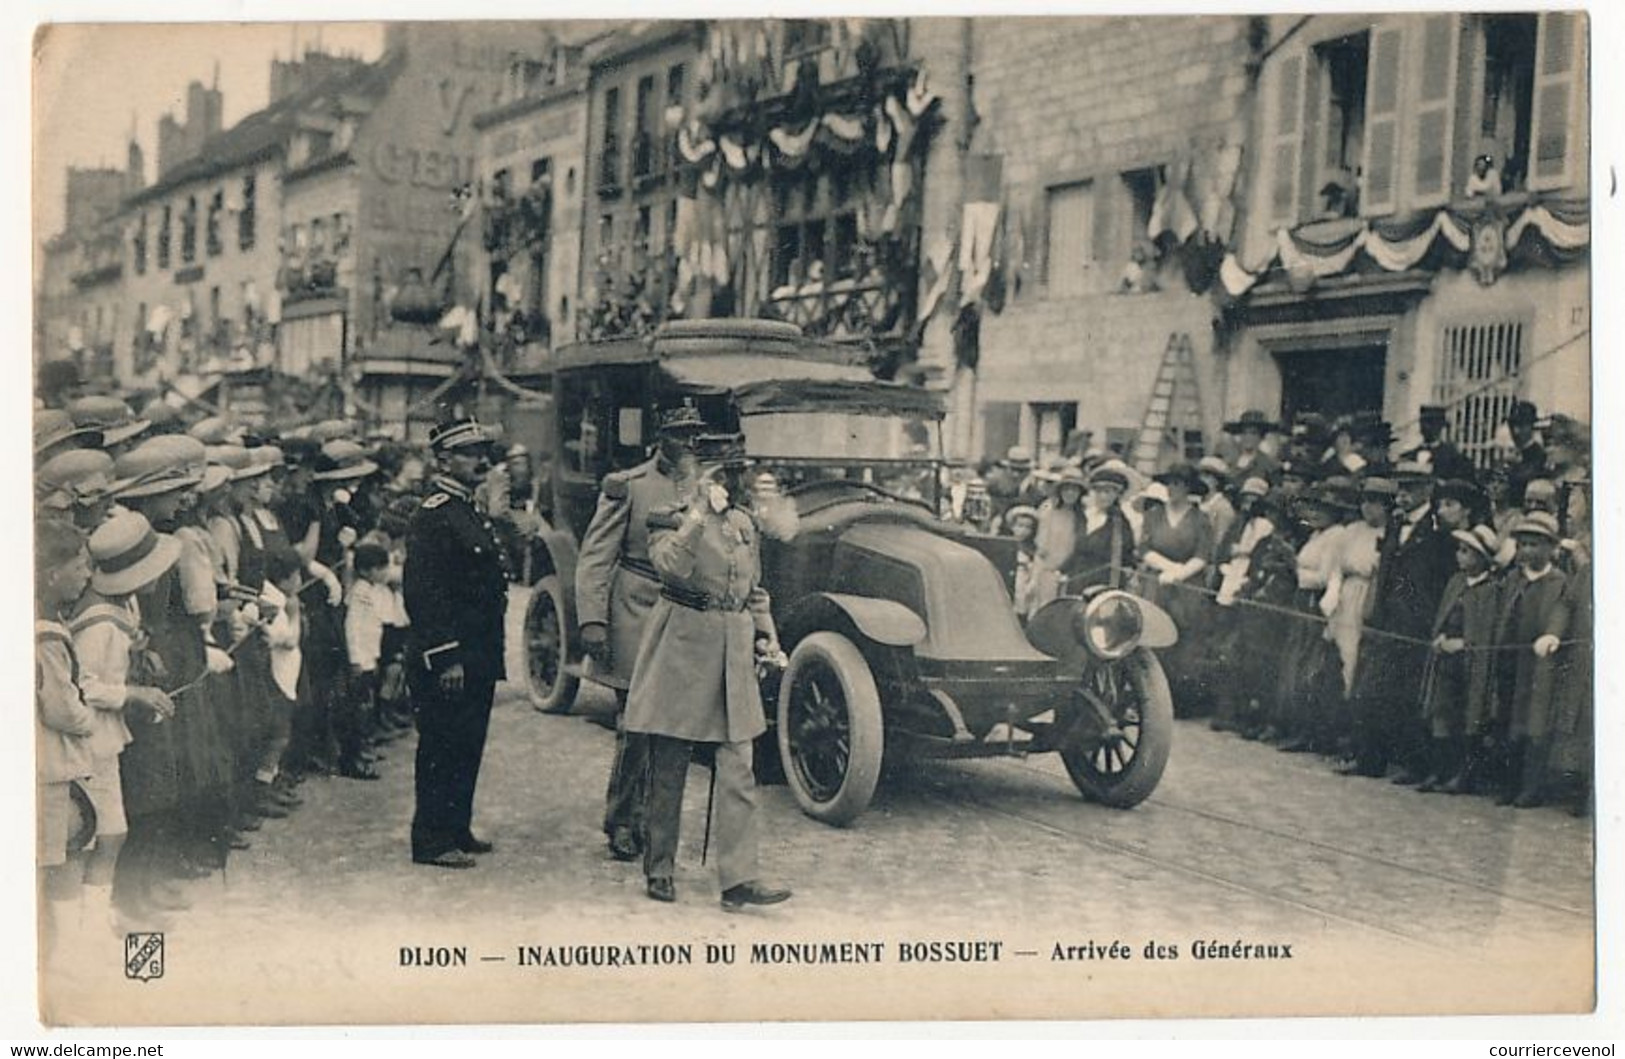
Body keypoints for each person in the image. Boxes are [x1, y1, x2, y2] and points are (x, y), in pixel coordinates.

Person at [623, 434, 791, 911]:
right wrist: (698, 511)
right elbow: (670, 569)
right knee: (670, 762)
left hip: (731, 653)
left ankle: (739, 879)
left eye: (736, 471)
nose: (731, 480)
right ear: (696, 473)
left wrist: (766, 634)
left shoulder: (742, 523)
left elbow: (752, 590)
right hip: (682, 647)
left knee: (739, 766)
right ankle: (659, 866)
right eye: (721, 471)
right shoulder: (671, 518)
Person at [574, 401, 708, 862]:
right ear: (660, 438)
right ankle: (622, 821)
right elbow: (595, 556)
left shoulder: (705, 489)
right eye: (679, 434)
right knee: (635, 726)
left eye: (694, 435)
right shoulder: (628, 486)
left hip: (683, 616)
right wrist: (592, 619)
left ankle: (657, 822)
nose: (689, 443)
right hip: (635, 612)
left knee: (672, 729)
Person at [402, 418, 509, 869]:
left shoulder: (466, 507)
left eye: (483, 451)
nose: (480, 460)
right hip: (451, 655)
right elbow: (425, 592)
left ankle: (456, 827)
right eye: (469, 453)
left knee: (467, 742)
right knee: (442, 745)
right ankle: (431, 839)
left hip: (477, 652)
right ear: (444, 459)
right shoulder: (435, 513)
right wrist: (445, 658)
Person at [70, 511, 182, 935]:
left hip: (106, 736)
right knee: (107, 833)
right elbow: (83, 684)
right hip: (93, 737)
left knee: (112, 831)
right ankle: (93, 923)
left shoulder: (118, 605)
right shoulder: (99, 624)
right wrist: (133, 693)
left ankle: (98, 917)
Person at [35, 517, 98, 976]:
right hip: (50, 765)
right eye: (80, 566)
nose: (87, 575)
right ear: (52, 573)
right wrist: (89, 711)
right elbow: (63, 710)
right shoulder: (48, 638)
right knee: (57, 860)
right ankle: (61, 963)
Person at [1490, 511, 1569, 808]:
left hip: (1539, 664)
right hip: (1510, 659)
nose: (1527, 551)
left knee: (1534, 723)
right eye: (1522, 545)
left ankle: (1531, 786)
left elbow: (1561, 616)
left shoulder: (1558, 582)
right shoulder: (1513, 579)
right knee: (1508, 718)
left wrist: (1549, 637)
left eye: (1535, 545)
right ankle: (1508, 783)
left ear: (1550, 548)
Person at [1418, 524, 1501, 795]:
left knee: (1469, 714)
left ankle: (1462, 774)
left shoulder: (1491, 590)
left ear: (1481, 558)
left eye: (1467, 551)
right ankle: (1438, 769)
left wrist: (1465, 644)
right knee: (1441, 711)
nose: (1460, 555)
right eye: (1460, 550)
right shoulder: (1456, 582)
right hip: (1446, 660)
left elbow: (1486, 632)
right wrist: (1440, 637)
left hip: (1470, 664)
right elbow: (1444, 614)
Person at [1221, 410, 1280, 485]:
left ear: (1261, 437)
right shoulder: (1228, 460)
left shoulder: (1269, 465)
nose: (1248, 437)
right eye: (1244, 433)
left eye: (1253, 433)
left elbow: (1275, 490)